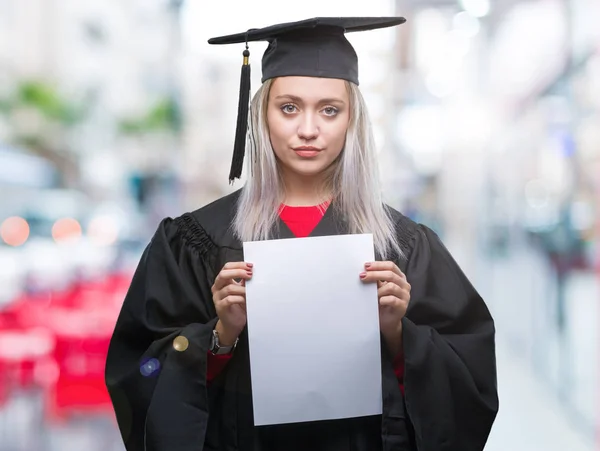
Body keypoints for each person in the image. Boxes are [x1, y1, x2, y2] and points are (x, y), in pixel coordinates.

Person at [105, 17, 498, 451]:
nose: (308, 129)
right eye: (289, 107)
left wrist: (398, 334)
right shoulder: (195, 242)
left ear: (353, 120)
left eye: (330, 109)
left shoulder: (402, 247)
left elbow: (471, 385)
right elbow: (139, 374)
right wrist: (219, 336)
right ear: (261, 114)